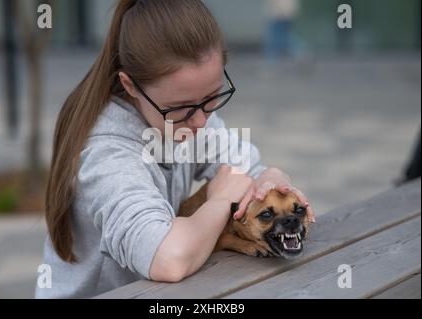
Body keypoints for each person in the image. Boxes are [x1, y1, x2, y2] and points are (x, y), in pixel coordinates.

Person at [36, 0, 315, 299]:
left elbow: (250, 174)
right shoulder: (109, 153)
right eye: (180, 109)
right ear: (130, 86)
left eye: (212, 97)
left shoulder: (188, 113)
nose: (200, 122)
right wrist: (220, 199)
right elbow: (168, 260)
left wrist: (272, 176)